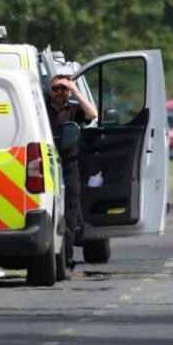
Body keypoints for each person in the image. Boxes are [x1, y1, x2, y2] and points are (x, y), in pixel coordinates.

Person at [46, 75, 98, 274]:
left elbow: (92, 114)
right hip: (46, 163)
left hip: (69, 165)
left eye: (64, 89)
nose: (60, 92)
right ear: (49, 90)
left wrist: (75, 90)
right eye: (57, 88)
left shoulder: (74, 109)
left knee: (70, 212)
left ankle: (65, 260)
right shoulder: (41, 108)